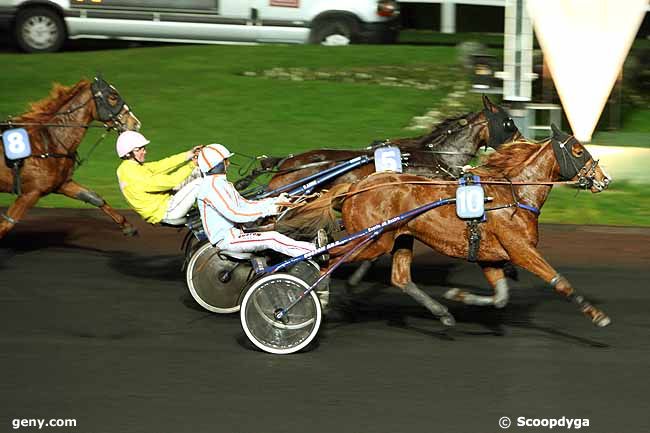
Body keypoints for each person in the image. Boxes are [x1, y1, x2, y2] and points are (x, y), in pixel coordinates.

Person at [195, 143, 326, 258]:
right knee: (272, 238)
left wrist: (274, 201)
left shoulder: (220, 184)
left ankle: (307, 249)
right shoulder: (212, 188)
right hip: (228, 239)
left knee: (276, 230)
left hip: (236, 233)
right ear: (216, 165)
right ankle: (315, 251)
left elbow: (245, 204)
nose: (228, 164)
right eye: (225, 161)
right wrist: (268, 210)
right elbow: (236, 214)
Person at [115, 131, 202, 225]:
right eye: (139, 149)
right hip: (166, 211)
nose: (144, 151)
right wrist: (191, 164)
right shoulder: (132, 174)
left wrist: (188, 154)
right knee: (199, 182)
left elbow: (162, 165)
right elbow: (171, 182)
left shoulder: (129, 167)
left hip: (167, 203)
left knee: (197, 171)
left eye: (143, 148)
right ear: (128, 153)